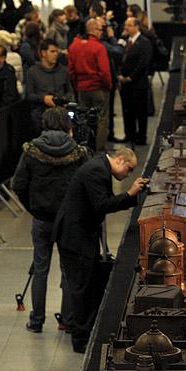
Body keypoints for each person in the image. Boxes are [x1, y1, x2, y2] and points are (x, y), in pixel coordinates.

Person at [53, 146, 147, 352]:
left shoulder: (99, 166)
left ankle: (84, 329)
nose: (128, 174)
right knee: (82, 287)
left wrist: (131, 196)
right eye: (129, 169)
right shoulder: (97, 170)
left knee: (86, 284)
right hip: (75, 237)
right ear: (120, 160)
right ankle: (81, 340)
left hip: (80, 235)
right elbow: (102, 205)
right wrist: (130, 194)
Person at [12, 107, 89, 333]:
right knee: (67, 270)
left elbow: (18, 184)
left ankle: (36, 321)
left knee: (40, 269)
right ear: (68, 125)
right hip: (67, 220)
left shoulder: (31, 151)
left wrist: (32, 207)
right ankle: (66, 320)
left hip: (41, 218)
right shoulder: (78, 152)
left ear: (43, 124)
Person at [68, 17, 112, 150]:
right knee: (101, 119)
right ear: (93, 30)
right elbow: (105, 72)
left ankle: (84, 148)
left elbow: (71, 70)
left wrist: (76, 86)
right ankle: (99, 151)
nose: (101, 32)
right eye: (100, 29)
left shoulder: (74, 46)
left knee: (82, 120)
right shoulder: (99, 47)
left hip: (82, 88)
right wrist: (108, 86)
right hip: (98, 88)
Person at [26, 38, 73, 134]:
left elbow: (70, 92)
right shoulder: (32, 71)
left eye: (57, 51)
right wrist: (43, 98)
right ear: (43, 53)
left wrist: (63, 98)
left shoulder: (64, 71)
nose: (56, 54)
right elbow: (29, 95)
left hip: (61, 113)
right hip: (40, 115)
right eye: (52, 51)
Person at [118, 16, 152, 145]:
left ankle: (141, 137)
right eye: (125, 25)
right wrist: (121, 75)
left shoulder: (144, 42)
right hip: (125, 84)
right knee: (127, 111)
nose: (126, 28)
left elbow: (143, 63)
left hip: (138, 84)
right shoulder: (125, 41)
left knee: (140, 112)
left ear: (137, 26)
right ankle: (129, 134)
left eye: (129, 25)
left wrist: (130, 77)